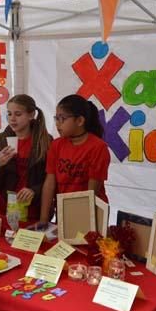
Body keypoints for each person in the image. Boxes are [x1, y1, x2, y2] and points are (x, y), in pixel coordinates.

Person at [40, 94, 111, 223]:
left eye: (62, 119)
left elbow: (92, 192)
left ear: (79, 121)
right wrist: (43, 220)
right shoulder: (56, 145)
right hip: (64, 213)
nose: (57, 124)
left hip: (91, 215)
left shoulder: (98, 147)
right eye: (56, 118)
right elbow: (49, 183)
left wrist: (79, 223)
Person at [0, 94, 52, 225]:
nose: (12, 119)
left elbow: (51, 179)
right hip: (8, 207)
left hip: (36, 209)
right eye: (9, 114)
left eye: (18, 114)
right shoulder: (0, 140)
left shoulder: (46, 141)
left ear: (31, 115)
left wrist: (34, 190)